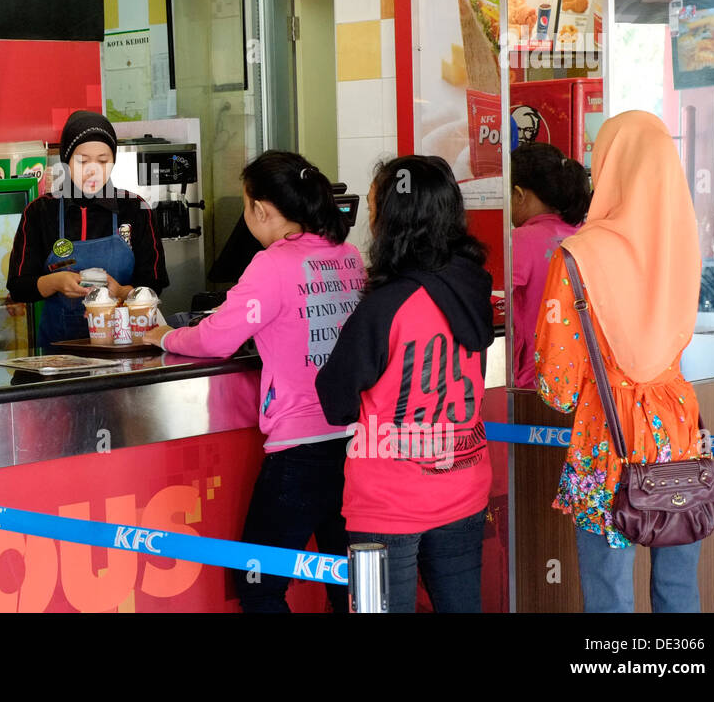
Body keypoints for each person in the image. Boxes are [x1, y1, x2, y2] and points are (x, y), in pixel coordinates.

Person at [144, 151, 363, 613]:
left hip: (300, 451)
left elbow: (217, 338)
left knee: (258, 584)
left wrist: (166, 336)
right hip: (355, 442)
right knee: (350, 581)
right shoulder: (348, 256)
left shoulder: (273, 264)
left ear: (261, 210)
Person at [534, 111, 705, 613]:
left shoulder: (577, 256)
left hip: (608, 438)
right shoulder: (683, 245)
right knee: (678, 588)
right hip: (679, 429)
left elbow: (558, 385)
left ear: (606, 168)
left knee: (609, 592)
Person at [315, 155, 494, 613]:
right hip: (464, 484)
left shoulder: (386, 306)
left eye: (374, 206)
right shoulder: (474, 289)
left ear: (391, 220)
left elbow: (336, 401)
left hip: (388, 500)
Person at [7, 111, 167, 348]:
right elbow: (19, 286)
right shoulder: (40, 212)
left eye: (103, 161)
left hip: (127, 349)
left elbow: (154, 283)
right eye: (83, 160)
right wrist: (56, 282)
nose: (93, 170)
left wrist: (121, 292)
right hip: (60, 352)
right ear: (66, 160)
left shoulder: (135, 208)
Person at [510, 142, 590, 389]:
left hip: (537, 378)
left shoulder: (521, 240)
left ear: (520, 195)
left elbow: (495, 298)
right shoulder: (585, 235)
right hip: (584, 375)